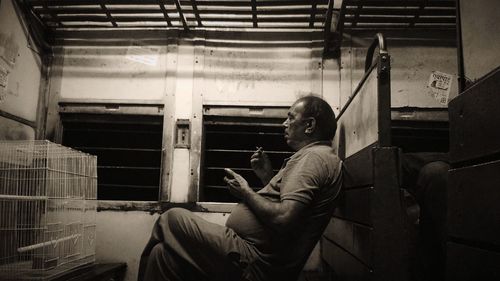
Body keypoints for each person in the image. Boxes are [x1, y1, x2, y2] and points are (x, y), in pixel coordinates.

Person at [137, 95, 343, 281]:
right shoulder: (315, 157)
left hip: (255, 261)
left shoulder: (313, 158)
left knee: (171, 218)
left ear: (309, 125)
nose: (284, 123)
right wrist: (266, 177)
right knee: (162, 256)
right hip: (251, 255)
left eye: (291, 117)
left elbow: (283, 219)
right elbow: (287, 206)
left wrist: (245, 190)